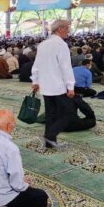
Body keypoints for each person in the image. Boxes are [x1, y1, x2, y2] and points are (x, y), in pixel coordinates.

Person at [0, 109, 49, 207]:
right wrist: (24, 184)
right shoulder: (10, 148)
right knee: (41, 197)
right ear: (10, 126)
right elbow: (18, 186)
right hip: (1, 198)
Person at [31, 20, 76, 149]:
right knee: (69, 114)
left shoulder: (43, 45)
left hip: (45, 86)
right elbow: (66, 67)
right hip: (58, 86)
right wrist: (70, 86)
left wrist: (35, 81)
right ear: (60, 29)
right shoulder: (61, 45)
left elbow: (36, 65)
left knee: (51, 114)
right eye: (67, 29)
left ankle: (50, 143)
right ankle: (50, 136)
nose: (68, 31)